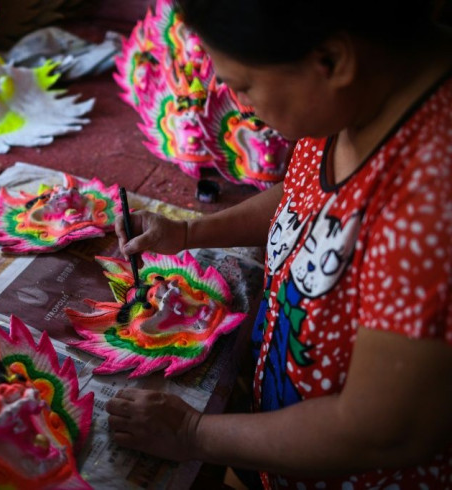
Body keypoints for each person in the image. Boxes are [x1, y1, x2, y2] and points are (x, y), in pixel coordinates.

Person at [105, 0, 452, 488]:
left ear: (331, 61)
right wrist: (187, 233)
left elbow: (378, 430)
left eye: (244, 86)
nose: (239, 105)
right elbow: (305, 196)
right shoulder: (367, 92)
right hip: (285, 441)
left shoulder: (432, 199)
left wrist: (192, 432)